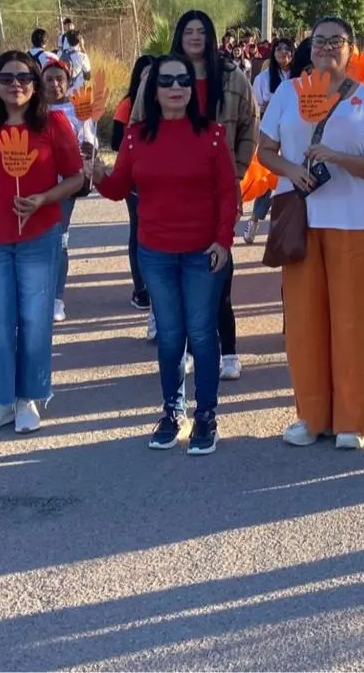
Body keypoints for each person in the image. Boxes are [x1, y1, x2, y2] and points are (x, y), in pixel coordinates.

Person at [257, 15, 364, 450]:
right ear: (308, 47)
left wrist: (335, 156)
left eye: (337, 41)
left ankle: (352, 418)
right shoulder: (287, 93)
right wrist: (294, 171)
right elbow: (265, 150)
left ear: (352, 49)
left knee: (350, 321)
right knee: (303, 322)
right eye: (319, 41)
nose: (327, 48)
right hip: (300, 219)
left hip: (350, 220)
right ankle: (311, 416)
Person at [92, 55, 236, 454]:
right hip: (155, 252)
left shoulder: (211, 134)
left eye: (184, 80)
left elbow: (228, 194)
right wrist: (98, 174)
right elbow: (120, 188)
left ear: (192, 88)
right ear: (152, 90)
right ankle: (173, 412)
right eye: (167, 80)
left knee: (203, 335)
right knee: (171, 336)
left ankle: (206, 415)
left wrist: (223, 241)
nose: (176, 87)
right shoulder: (136, 137)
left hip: (202, 252)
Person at [0, 52, 86, 436]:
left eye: (25, 77)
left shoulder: (53, 123)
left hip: (38, 237)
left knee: (33, 319)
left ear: (36, 82)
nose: (16, 84)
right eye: (7, 77)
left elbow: (75, 177)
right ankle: (0, 401)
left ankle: (29, 398)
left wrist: (44, 198)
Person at [132, 10, 257, 381]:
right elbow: (139, 124)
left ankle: (228, 350)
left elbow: (251, 124)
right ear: (179, 36)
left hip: (219, 186)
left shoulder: (232, 76)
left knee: (217, 268)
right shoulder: (160, 74)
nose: (196, 36)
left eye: (203, 31)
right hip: (170, 189)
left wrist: (234, 172)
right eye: (189, 31)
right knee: (175, 272)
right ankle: (186, 346)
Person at [41, 58, 89, 322]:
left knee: (59, 239)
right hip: (34, 185)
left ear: (68, 83)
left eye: (60, 79)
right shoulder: (31, 109)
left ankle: (57, 298)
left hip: (64, 187)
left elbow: (88, 143)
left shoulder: (78, 110)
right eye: (49, 79)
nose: (54, 84)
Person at [112, 55, 155, 338]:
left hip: (161, 179)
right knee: (138, 231)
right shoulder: (127, 105)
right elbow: (116, 141)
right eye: (145, 74)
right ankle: (141, 289)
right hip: (133, 179)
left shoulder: (167, 105)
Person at [243, 37, 294, 244]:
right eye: (279, 49)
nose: (283, 53)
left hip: (294, 132)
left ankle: (288, 227)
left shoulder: (300, 77)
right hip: (270, 132)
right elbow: (256, 108)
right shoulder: (263, 79)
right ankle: (254, 220)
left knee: (291, 178)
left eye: (287, 49)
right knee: (267, 179)